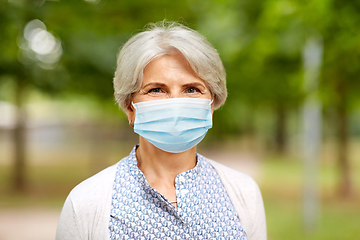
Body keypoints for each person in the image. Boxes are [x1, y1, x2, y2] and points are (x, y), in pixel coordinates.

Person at [56, 21, 267, 240]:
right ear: (130, 107)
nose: (176, 103)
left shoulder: (244, 194)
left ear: (211, 105)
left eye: (192, 89)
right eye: (156, 90)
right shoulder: (86, 203)